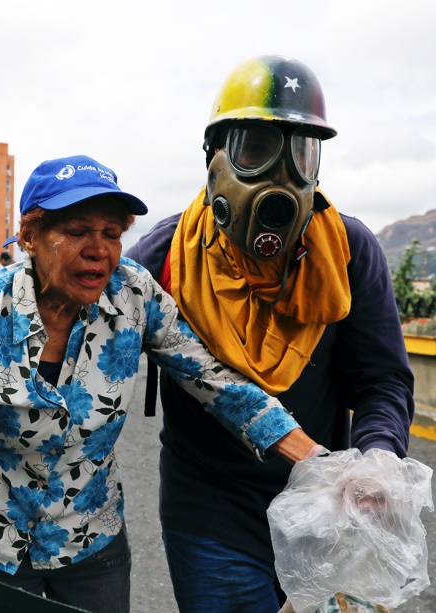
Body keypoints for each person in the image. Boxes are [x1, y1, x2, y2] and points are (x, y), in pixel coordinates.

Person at [0, 155, 321, 613]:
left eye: (111, 234)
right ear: (30, 237)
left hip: (90, 539)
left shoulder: (134, 295)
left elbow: (213, 380)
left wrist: (320, 462)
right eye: (77, 232)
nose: (99, 249)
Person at [126, 56, 414, 613]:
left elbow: (381, 381)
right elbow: (81, 355)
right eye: (255, 151)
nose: (280, 179)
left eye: (301, 155)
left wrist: (376, 460)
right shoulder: (163, 260)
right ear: (213, 160)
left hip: (328, 507)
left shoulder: (348, 254)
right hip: (209, 507)